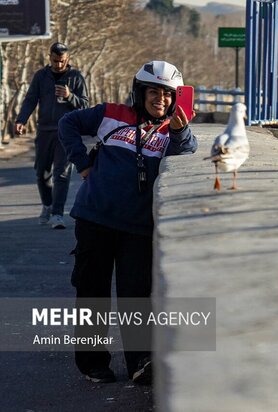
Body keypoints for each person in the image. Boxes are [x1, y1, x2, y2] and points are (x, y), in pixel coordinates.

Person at [58, 60, 198, 385]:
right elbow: (68, 122)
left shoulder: (173, 132)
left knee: (136, 296)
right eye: (153, 92)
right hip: (94, 220)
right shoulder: (111, 114)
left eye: (166, 94)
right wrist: (82, 163)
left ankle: (140, 362)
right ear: (140, 92)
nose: (159, 100)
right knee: (92, 292)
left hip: (138, 229)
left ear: (175, 98)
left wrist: (179, 131)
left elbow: (185, 160)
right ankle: (93, 364)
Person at [15, 42, 89, 229]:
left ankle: (57, 214)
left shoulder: (76, 77)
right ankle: (47, 205)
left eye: (62, 61)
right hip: (44, 131)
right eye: (55, 61)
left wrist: (70, 96)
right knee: (42, 172)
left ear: (68, 59)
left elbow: (85, 106)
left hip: (67, 133)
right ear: (50, 57)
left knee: (62, 174)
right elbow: (30, 99)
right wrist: (21, 120)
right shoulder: (41, 76)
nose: (58, 65)